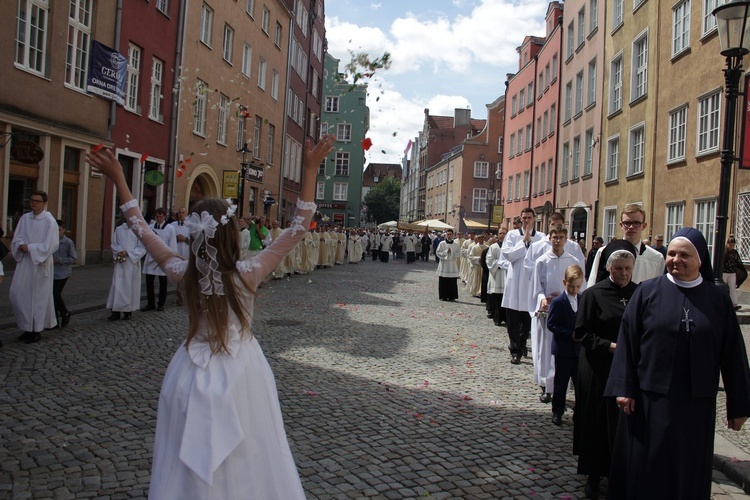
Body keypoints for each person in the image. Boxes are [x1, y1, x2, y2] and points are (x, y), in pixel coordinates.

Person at [86, 134, 336, 499]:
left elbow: (140, 227)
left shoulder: (182, 273)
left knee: (183, 457)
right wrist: (311, 167)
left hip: (188, 372)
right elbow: (298, 227)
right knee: (251, 451)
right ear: (232, 233)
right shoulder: (249, 271)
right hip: (243, 372)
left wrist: (119, 178)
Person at [604, 228, 750, 499]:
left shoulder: (717, 299)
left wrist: (738, 405)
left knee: (687, 469)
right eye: (671, 254)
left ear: (700, 260)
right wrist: (624, 387)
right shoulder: (647, 292)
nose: (675, 260)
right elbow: (628, 340)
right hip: (649, 401)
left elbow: (733, 353)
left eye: (684, 255)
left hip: (695, 405)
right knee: (646, 468)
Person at [573, 241, 637, 499]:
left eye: (627, 269)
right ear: (609, 268)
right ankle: (593, 474)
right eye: (618, 268)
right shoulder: (593, 294)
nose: (623, 274)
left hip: (628, 368)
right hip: (598, 367)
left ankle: (619, 473)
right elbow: (581, 333)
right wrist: (609, 346)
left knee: (624, 423)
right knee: (597, 422)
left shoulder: (640, 293)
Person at [529, 225, 585, 404]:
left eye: (561, 237)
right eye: (555, 237)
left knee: (565, 352)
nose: (558, 240)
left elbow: (581, 285)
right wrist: (542, 299)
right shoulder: (542, 261)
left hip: (568, 310)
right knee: (547, 351)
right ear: (550, 239)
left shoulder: (574, 260)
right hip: (549, 311)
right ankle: (547, 386)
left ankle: (564, 387)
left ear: (566, 239)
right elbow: (535, 287)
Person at [10, 190, 59, 344]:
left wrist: (30, 248)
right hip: (25, 262)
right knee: (18, 294)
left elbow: (51, 244)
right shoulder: (25, 218)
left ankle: (36, 329)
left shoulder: (49, 221)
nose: (34, 203)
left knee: (37, 297)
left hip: (39, 263)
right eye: (31, 200)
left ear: (44, 203)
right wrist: (19, 246)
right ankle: (26, 326)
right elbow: (17, 237)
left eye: (37, 201)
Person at [501, 207, 544, 364]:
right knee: (512, 318)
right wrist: (523, 242)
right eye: (524, 218)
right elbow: (508, 255)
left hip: (530, 281)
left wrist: (530, 243)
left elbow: (541, 256)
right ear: (520, 219)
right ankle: (515, 350)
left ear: (534, 218)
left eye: (529, 217)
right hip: (514, 280)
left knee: (527, 317)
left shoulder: (541, 237)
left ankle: (523, 343)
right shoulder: (512, 235)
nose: (526, 220)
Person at [587, 204, 664, 287]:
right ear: (621, 225)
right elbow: (593, 286)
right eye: (627, 223)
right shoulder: (604, 252)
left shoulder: (656, 258)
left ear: (644, 226)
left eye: (636, 223)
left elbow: (657, 290)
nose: (631, 227)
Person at [546, 264, 584, 426]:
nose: (575, 290)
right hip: (563, 350)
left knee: (580, 384)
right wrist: (569, 334)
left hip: (579, 351)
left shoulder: (582, 299)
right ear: (564, 283)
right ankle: (557, 411)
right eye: (571, 286)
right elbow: (551, 324)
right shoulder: (559, 302)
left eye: (577, 286)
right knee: (561, 383)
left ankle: (579, 411)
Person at [107, 218, 147, 320]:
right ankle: (115, 311)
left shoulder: (138, 230)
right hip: (120, 262)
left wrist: (128, 252)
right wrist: (119, 251)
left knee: (129, 286)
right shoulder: (119, 229)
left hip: (132, 263)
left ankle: (127, 311)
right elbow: (114, 243)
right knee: (117, 285)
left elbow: (142, 247)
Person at [142, 207, 177, 312]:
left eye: (160, 217)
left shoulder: (170, 228)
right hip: (151, 256)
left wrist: (170, 257)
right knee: (149, 281)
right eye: (157, 216)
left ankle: (161, 303)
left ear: (164, 216)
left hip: (163, 257)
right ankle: (150, 303)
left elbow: (172, 244)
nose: (158, 218)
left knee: (162, 281)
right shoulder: (151, 227)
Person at [53, 219, 77, 328]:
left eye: (59, 230)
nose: (57, 232)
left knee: (55, 294)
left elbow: (73, 259)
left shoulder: (68, 242)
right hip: (52, 273)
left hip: (63, 273)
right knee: (51, 296)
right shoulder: (51, 241)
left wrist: (60, 260)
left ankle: (65, 312)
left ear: (64, 230)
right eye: (55, 230)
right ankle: (54, 319)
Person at [486, 227, 508, 326]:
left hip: (507, 275)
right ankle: (497, 318)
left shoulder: (510, 247)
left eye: (504, 233)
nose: (502, 235)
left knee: (506, 299)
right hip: (497, 275)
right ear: (498, 235)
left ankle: (507, 319)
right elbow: (489, 260)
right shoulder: (493, 247)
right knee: (497, 299)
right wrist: (499, 263)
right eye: (500, 233)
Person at [436, 229, 460, 301]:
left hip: (452, 265)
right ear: (446, 235)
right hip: (444, 265)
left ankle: (452, 296)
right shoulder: (442, 243)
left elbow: (458, 254)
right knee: (443, 280)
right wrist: (446, 252)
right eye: (448, 234)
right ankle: (443, 296)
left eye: (450, 234)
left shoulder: (456, 245)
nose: (449, 236)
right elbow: (438, 252)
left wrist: (451, 252)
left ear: (453, 235)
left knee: (452, 281)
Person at [724, 235, 743, 310]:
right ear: (727, 244)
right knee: (724, 288)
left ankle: (734, 304)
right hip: (724, 272)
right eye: (730, 245)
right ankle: (723, 303)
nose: (732, 246)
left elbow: (738, 262)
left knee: (732, 288)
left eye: (733, 245)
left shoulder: (735, 252)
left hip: (732, 272)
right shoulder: (724, 251)